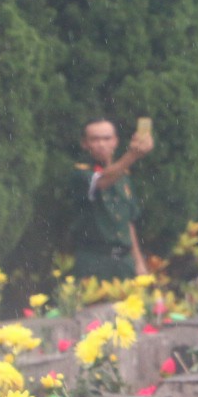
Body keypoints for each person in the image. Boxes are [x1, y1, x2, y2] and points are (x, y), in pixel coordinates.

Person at [71, 117, 154, 279]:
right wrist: (133, 155)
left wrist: (138, 263)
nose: (101, 144)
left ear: (115, 141)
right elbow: (102, 181)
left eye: (107, 138)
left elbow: (127, 222)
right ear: (84, 144)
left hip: (124, 262)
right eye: (95, 139)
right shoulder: (80, 173)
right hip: (93, 263)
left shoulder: (124, 177)